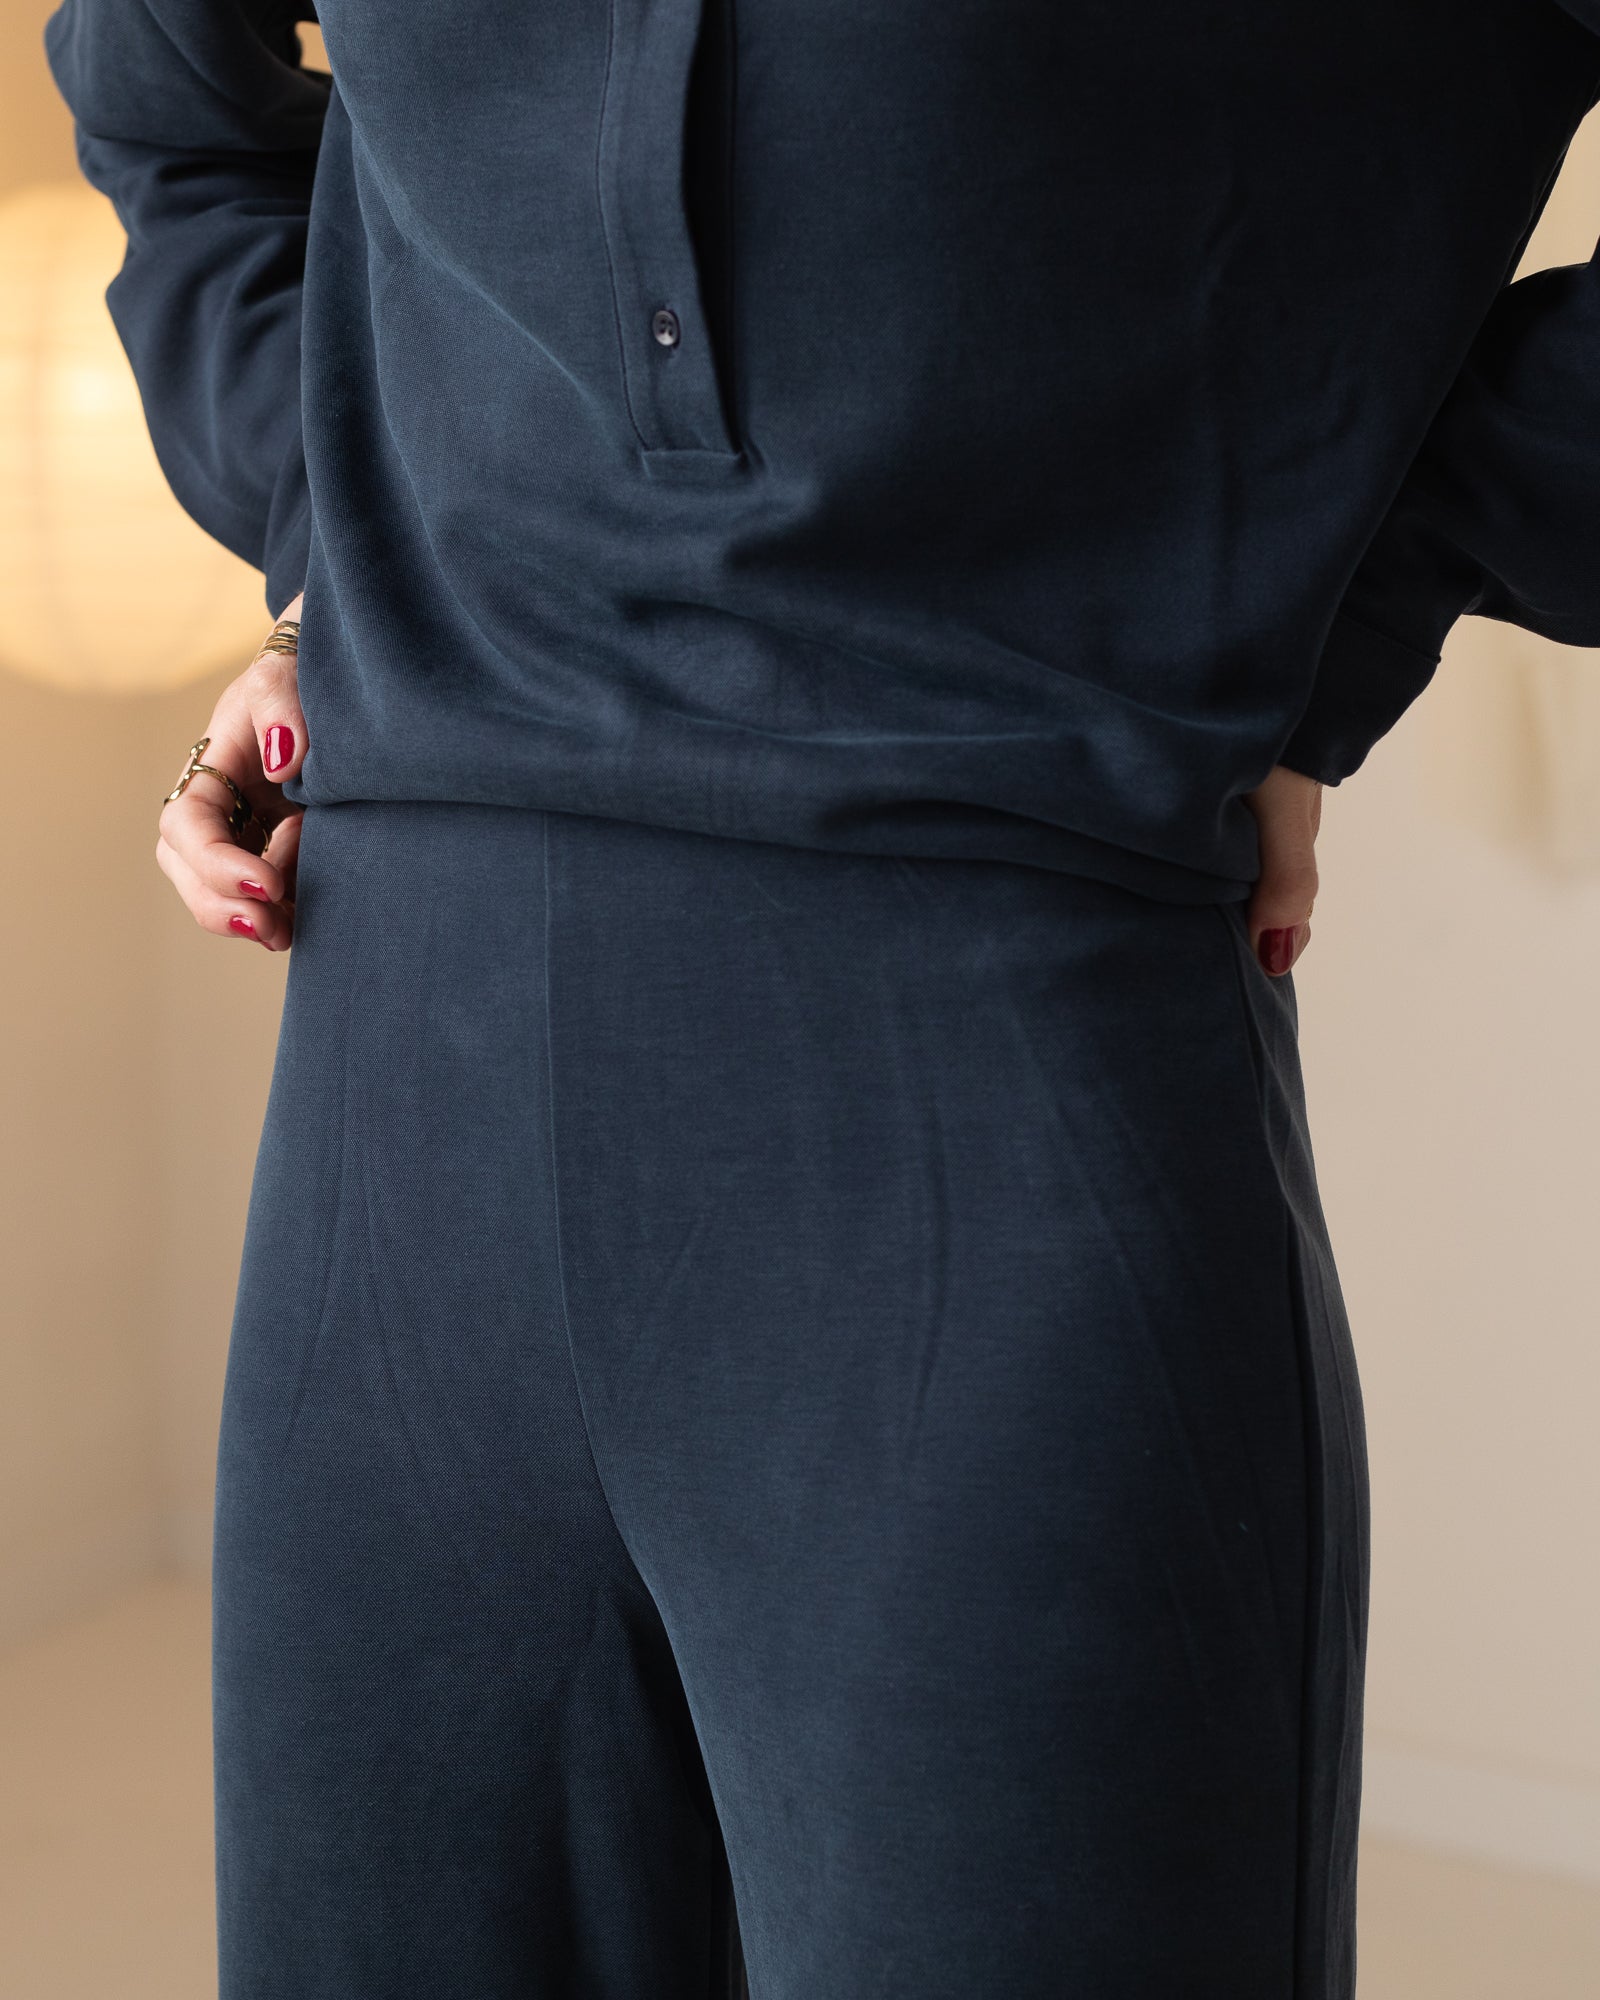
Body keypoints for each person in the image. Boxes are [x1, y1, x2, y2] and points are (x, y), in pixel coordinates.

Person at [42, 3, 1600, 1995]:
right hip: (395, 1137)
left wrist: (1336, 605)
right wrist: (352, 544)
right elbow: (164, 94)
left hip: (995, 1121)